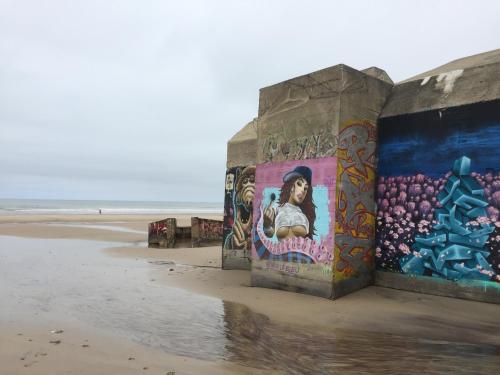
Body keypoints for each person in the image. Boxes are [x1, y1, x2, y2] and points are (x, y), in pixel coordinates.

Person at [263, 166, 316, 240]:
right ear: (291, 186)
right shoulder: (277, 208)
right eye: (299, 184)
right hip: (281, 251)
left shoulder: (305, 214)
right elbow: (269, 233)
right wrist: (266, 225)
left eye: (305, 188)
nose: (302, 191)